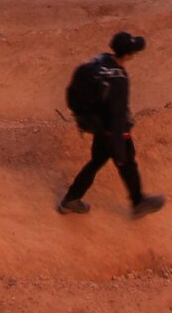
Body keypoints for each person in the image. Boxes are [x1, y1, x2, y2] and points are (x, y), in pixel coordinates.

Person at [59, 29, 166, 216]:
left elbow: (73, 91)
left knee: (97, 161)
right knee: (126, 162)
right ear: (128, 54)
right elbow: (117, 117)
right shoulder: (118, 80)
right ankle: (138, 202)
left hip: (98, 126)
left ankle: (71, 199)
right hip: (111, 131)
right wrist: (119, 150)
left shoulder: (98, 62)